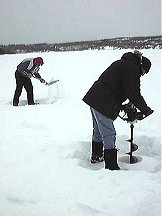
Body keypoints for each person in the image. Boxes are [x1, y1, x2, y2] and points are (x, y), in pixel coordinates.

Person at [83, 51, 154, 170]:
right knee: (108, 133)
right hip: (102, 101)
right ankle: (111, 166)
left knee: (98, 131)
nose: (142, 74)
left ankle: (97, 156)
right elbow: (133, 93)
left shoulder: (124, 63)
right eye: (144, 72)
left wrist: (123, 107)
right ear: (142, 67)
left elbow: (115, 87)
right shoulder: (132, 69)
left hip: (95, 97)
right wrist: (145, 109)